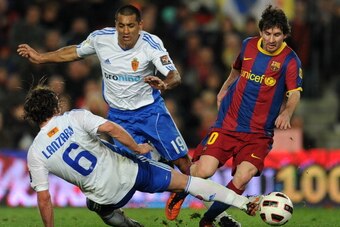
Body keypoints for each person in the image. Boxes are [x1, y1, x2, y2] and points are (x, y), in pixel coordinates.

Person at [24, 85, 262, 227]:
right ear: (55, 107)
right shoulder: (73, 117)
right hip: (132, 172)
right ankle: (243, 203)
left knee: (95, 205)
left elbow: (44, 199)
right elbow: (110, 128)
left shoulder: (35, 153)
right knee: (188, 182)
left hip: (107, 196)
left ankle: (130, 225)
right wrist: (136, 148)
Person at [166, 5, 303, 227]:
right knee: (203, 170)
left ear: (284, 35)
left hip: (259, 133)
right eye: (267, 33)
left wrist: (287, 112)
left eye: (277, 34)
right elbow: (237, 69)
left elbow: (294, 93)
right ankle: (181, 189)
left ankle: (209, 220)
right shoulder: (248, 45)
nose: (271, 39)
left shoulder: (290, 60)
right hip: (229, 124)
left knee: (243, 175)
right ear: (261, 32)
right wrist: (224, 87)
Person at [17, 4, 192, 174]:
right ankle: (160, 163)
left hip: (150, 112)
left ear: (140, 25)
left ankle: (206, 197)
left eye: (131, 26)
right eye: (121, 25)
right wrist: (41, 57)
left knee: (183, 162)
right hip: (120, 117)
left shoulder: (151, 44)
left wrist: (165, 84)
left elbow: (174, 75)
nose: (125, 31)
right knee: (132, 173)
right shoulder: (100, 39)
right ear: (115, 25)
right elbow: (74, 52)